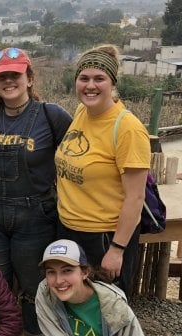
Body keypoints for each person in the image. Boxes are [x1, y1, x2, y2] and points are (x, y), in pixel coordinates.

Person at [0, 47, 72, 336]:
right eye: (2, 77)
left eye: (15, 74)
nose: (9, 81)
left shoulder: (51, 116)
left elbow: (80, 152)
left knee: (33, 286)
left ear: (30, 78)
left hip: (34, 217)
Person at [54, 45, 150, 296]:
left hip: (103, 236)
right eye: (84, 78)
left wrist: (117, 249)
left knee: (106, 306)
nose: (90, 85)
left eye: (99, 79)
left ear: (113, 83)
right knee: (75, 301)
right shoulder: (81, 113)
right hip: (70, 228)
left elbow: (135, 197)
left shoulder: (128, 128)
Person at [36, 239, 153, 336]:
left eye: (67, 271)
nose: (58, 280)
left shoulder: (114, 306)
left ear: (84, 272)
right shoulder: (46, 293)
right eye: (51, 272)